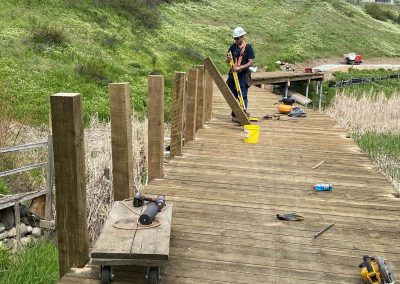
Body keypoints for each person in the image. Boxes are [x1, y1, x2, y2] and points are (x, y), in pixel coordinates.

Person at [226, 27, 255, 122]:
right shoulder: (233, 47)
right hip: (233, 74)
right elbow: (228, 57)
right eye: (235, 38)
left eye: (237, 38)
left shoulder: (248, 48)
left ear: (242, 37)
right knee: (231, 94)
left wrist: (240, 67)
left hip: (243, 75)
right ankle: (235, 115)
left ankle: (242, 115)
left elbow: (251, 62)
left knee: (242, 95)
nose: (236, 40)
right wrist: (228, 60)